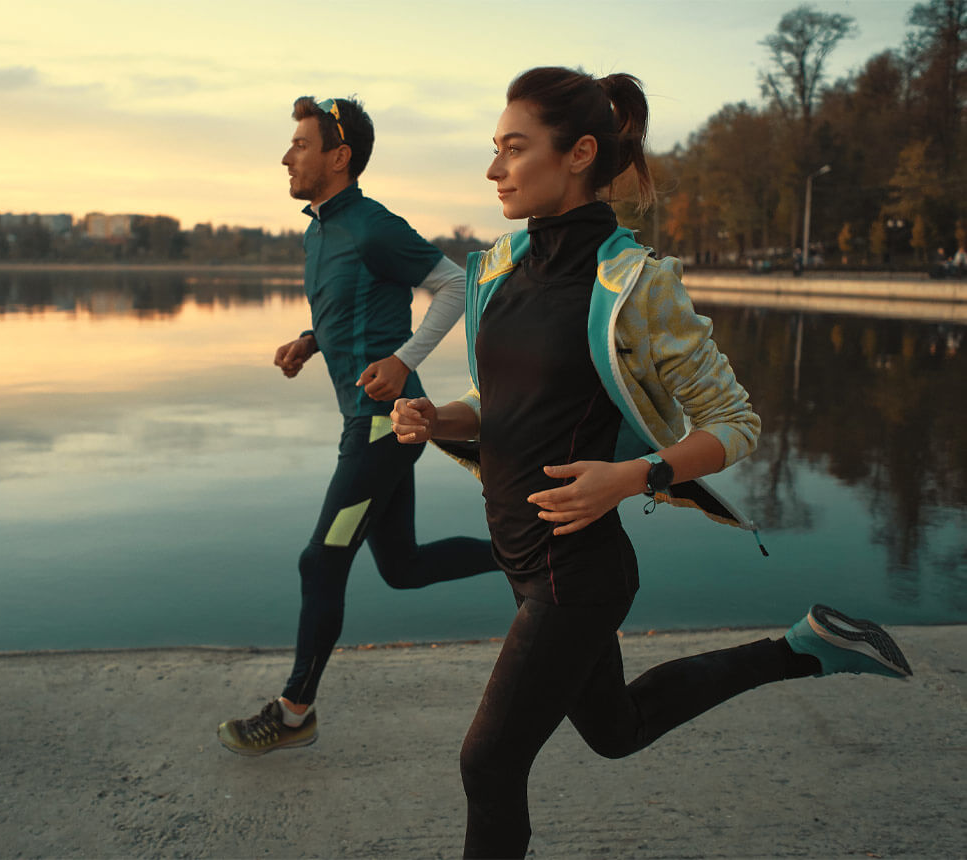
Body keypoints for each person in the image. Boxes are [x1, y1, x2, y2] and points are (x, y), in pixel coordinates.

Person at [389, 67, 913, 858]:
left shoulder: (635, 285)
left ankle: (803, 649)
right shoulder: (497, 270)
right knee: (617, 729)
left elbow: (736, 424)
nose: (494, 169)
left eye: (514, 148)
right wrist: (440, 417)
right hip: (521, 556)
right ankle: (806, 648)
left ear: (578, 154)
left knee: (488, 763)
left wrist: (632, 476)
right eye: (494, 148)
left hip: (577, 574)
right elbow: (500, 400)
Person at [216, 96, 498, 756]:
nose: (286, 157)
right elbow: (354, 305)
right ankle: (525, 554)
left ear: (338, 157)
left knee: (320, 562)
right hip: (370, 424)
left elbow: (455, 286)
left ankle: (294, 713)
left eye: (300, 145)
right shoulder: (319, 230)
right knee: (402, 567)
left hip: (382, 428)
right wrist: (311, 340)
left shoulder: (372, 226)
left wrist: (404, 360)